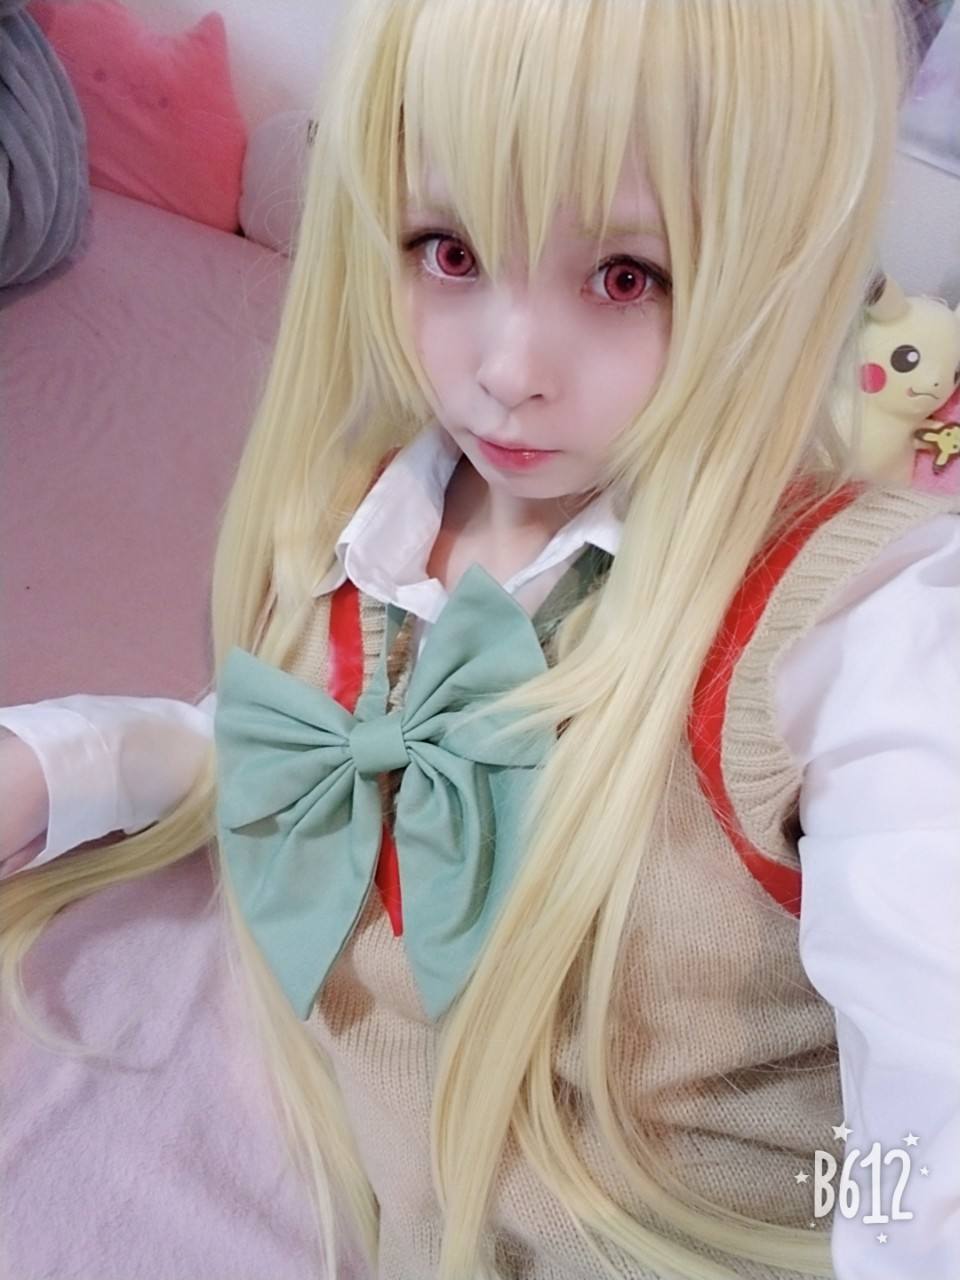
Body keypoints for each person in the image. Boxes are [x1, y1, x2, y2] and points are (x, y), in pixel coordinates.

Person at [1, 1, 958, 1277]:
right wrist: (61, 762)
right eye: (448, 249)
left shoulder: (857, 628)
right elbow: (308, 742)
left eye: (626, 276)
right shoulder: (377, 505)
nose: (507, 370)